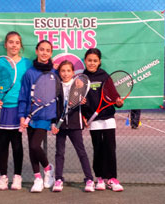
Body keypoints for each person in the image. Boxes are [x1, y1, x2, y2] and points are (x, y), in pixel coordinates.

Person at [0, 31, 32, 190]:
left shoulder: (27, 63)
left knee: (17, 144)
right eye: (11, 42)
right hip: (1, 108)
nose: (14, 45)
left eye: (17, 42)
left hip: (19, 109)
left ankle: (17, 177)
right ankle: (3, 177)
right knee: (3, 144)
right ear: (5, 44)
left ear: (21, 45)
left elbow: (37, 77)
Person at [82, 48, 124, 192]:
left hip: (108, 119)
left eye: (95, 61)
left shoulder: (105, 76)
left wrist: (119, 102)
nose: (92, 63)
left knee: (110, 149)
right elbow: (80, 100)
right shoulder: (82, 78)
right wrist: (83, 115)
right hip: (93, 121)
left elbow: (114, 96)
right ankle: (99, 177)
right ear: (85, 61)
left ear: (99, 62)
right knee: (98, 149)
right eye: (89, 60)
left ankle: (112, 178)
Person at [18, 40, 56, 193]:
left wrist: (54, 119)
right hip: (29, 115)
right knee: (32, 148)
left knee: (34, 145)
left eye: (47, 50)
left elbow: (58, 95)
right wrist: (22, 115)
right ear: (36, 51)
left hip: (45, 116)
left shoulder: (55, 73)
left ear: (51, 53)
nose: (44, 52)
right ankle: (37, 179)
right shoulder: (29, 73)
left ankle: (48, 168)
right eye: (42, 49)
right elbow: (23, 96)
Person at [51, 60, 95, 192]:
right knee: (59, 153)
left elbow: (85, 105)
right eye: (63, 71)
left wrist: (84, 103)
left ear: (73, 72)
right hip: (61, 126)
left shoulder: (78, 85)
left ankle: (89, 179)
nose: (65, 73)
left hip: (75, 125)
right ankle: (58, 179)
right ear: (59, 73)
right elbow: (54, 108)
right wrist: (54, 123)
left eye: (68, 71)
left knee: (81, 152)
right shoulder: (56, 87)